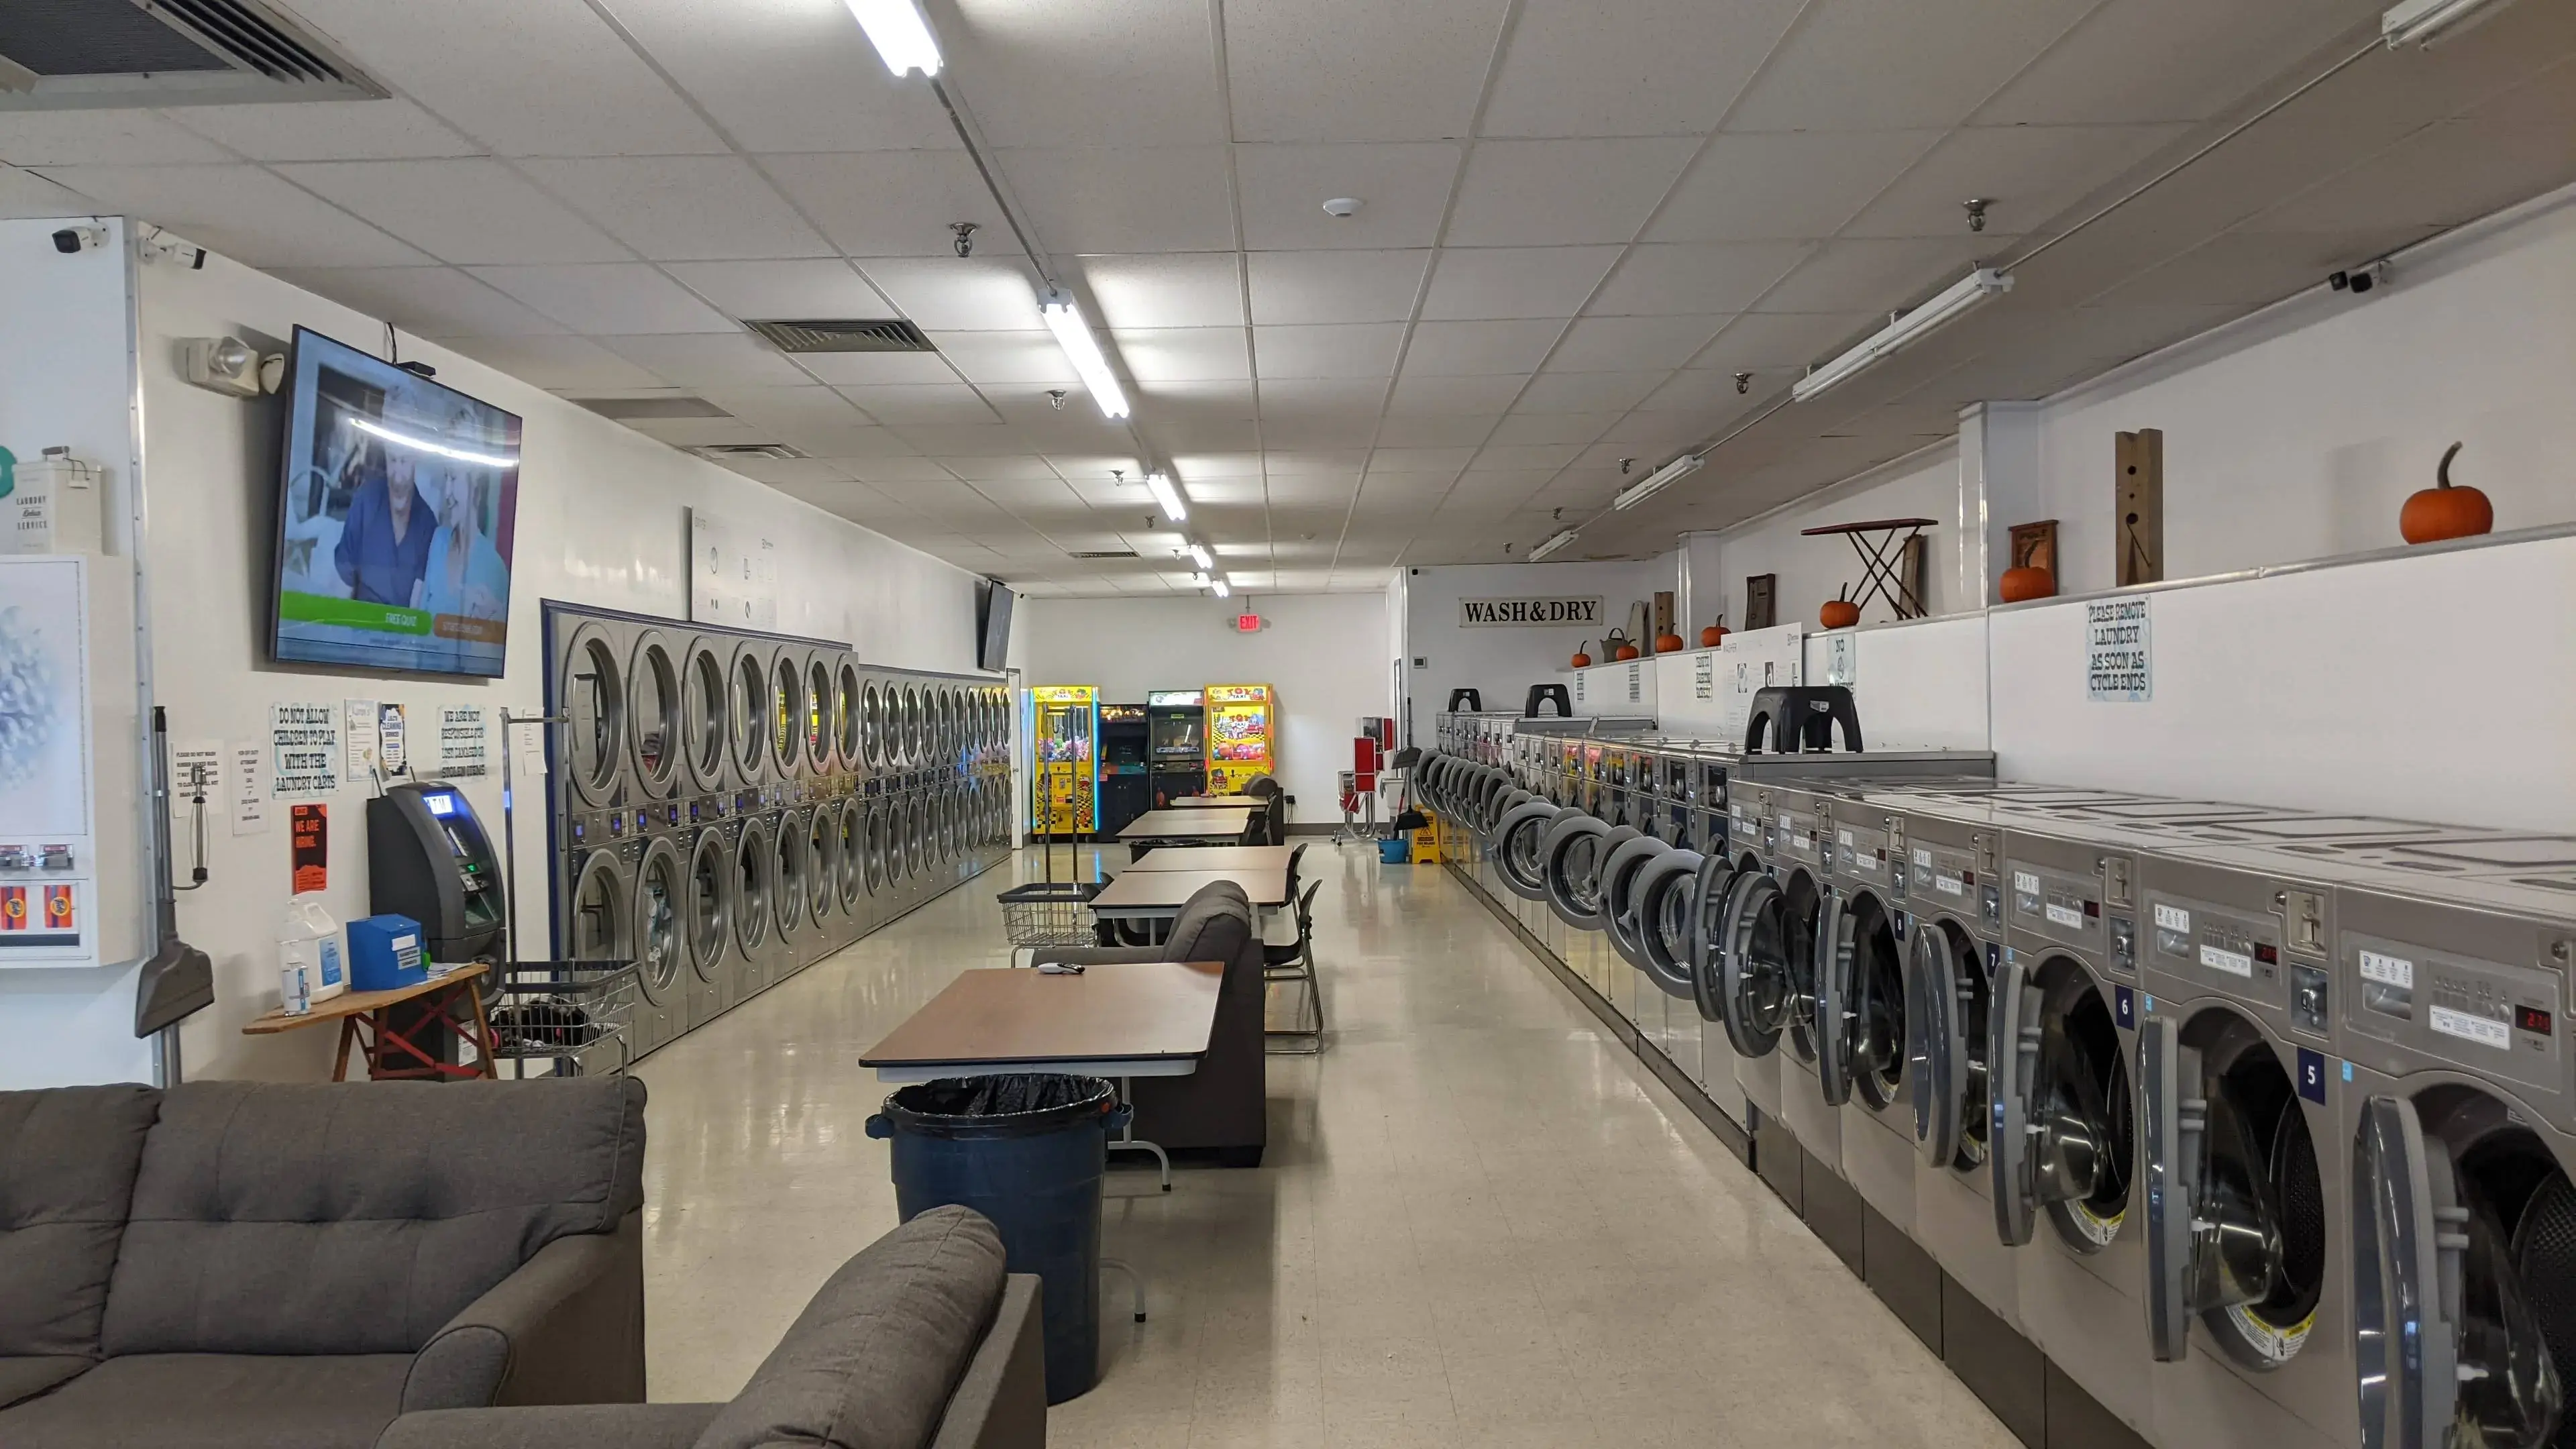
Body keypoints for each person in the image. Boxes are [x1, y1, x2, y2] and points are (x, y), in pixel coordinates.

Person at [333, 441, 433, 608]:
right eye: (393, 460)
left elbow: (420, 603)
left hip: (401, 628)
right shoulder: (366, 500)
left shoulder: (427, 524)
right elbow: (344, 579)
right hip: (359, 621)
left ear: (415, 462)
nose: (398, 474)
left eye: (405, 461)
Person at [415, 466, 511, 625]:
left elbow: (491, 645)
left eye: (453, 479)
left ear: (476, 490)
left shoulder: (494, 566)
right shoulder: (438, 539)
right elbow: (421, 620)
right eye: (446, 479)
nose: (447, 493)